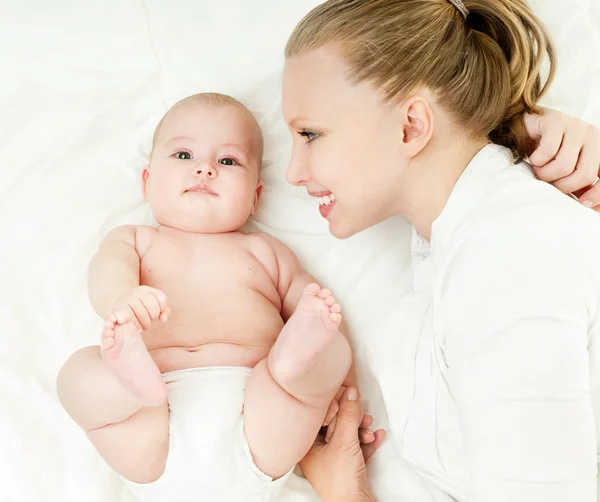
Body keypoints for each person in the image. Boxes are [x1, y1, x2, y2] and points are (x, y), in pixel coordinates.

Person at [281, 0, 600, 500]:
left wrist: (345, 493)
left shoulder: (505, 254)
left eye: (310, 134)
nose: (292, 172)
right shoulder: (473, 243)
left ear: (411, 125)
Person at [55, 92, 371, 502]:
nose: (204, 168)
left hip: (256, 404)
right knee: (77, 375)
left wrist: (343, 391)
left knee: (328, 345)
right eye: (184, 155)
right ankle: (129, 390)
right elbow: (106, 269)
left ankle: (291, 369)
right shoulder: (135, 241)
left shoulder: (266, 252)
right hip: (156, 410)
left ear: (255, 197)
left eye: (228, 161)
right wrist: (122, 297)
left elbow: (320, 310)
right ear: (148, 182)